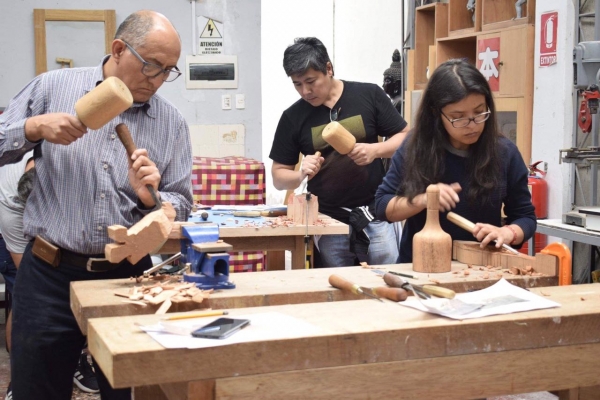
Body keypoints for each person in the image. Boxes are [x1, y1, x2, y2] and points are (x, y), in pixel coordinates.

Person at [0, 10, 193, 400]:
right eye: (152, 66)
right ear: (119, 49)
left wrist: (151, 198)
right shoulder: (53, 87)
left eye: (168, 71)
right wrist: (33, 128)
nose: (157, 81)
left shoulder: (170, 122)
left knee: (127, 391)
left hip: (127, 280)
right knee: (36, 390)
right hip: (49, 276)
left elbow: (182, 203)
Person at [374, 59, 536, 263]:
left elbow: (526, 217)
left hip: (481, 268)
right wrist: (425, 199)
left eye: (479, 112)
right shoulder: (415, 147)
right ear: (436, 113)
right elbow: (382, 206)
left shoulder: (505, 153)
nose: (472, 125)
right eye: (458, 117)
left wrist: (508, 233)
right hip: (420, 266)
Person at [269, 37, 409, 267]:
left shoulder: (369, 95)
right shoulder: (292, 117)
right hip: (327, 217)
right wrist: (300, 173)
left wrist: (376, 150)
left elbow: (406, 138)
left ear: (329, 68)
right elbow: (278, 177)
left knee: (388, 272)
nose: (305, 91)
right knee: (337, 279)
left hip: (375, 211)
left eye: (311, 81)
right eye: (297, 84)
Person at [382, 49, 403, 114]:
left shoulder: (398, 103)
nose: (383, 85)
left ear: (397, 85)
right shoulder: (394, 102)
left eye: (387, 81)